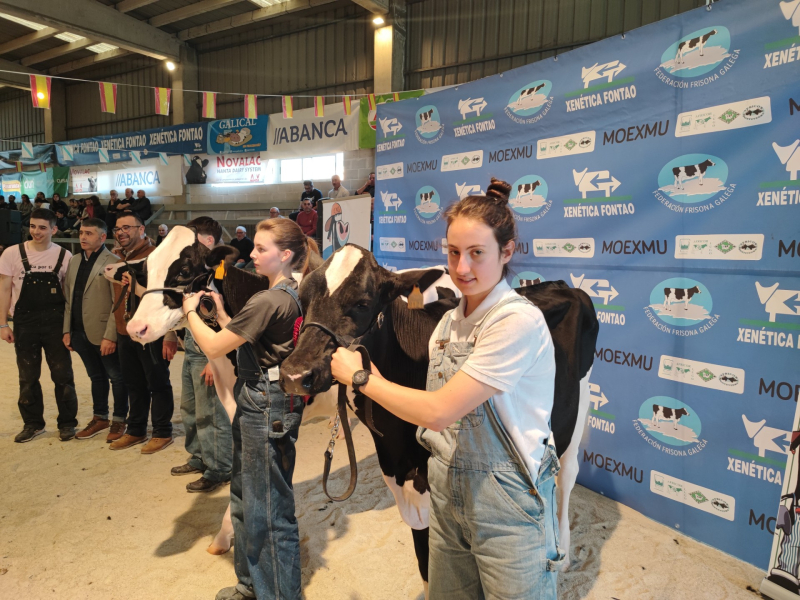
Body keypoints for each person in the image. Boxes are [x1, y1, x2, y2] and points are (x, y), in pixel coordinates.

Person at [331, 178, 561, 599]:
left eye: (477, 253)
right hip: (445, 488)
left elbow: (439, 411)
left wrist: (361, 379)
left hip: (505, 502)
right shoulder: (449, 322)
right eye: (454, 253)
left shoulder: (514, 322)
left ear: (506, 252)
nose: (462, 269)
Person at [182, 218, 317, 600]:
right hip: (265, 396)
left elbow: (212, 348)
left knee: (267, 509)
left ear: (285, 255)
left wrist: (190, 311)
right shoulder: (291, 293)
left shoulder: (268, 299)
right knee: (245, 496)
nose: (252, 255)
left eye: (261, 249)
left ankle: (277, 594)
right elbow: (252, 342)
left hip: (265, 400)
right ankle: (252, 584)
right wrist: (224, 315)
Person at [0, 208, 78, 443]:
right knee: (28, 376)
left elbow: (69, 295)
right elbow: (4, 289)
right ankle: (33, 423)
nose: (36, 231)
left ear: (54, 229)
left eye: (43, 227)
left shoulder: (65, 256)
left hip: (56, 324)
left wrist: (69, 329)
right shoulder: (12, 253)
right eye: (33, 226)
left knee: (62, 375)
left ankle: (67, 423)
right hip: (25, 323)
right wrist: (2, 324)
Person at [171, 216, 232, 494]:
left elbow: (223, 318)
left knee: (210, 412)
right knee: (190, 408)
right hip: (192, 345)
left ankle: (219, 467)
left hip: (209, 350)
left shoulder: (225, 271)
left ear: (207, 241)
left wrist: (213, 360)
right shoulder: (197, 270)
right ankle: (199, 456)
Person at [108, 211, 177, 453]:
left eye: (127, 227)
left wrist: (171, 335)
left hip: (152, 331)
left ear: (141, 229)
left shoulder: (158, 257)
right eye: (117, 228)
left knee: (157, 381)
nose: (121, 232)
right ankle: (136, 430)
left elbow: (169, 296)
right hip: (126, 331)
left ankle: (162, 431)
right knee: (133, 383)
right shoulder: (117, 258)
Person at [63, 218, 129, 442]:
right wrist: (66, 330)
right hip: (80, 331)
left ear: (102, 237)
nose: (83, 237)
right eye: (81, 232)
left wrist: (111, 336)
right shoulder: (73, 261)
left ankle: (119, 420)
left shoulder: (114, 262)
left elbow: (117, 304)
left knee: (116, 377)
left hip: (103, 333)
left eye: (89, 233)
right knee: (95, 377)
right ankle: (100, 417)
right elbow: (69, 299)